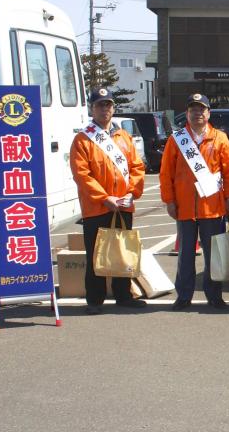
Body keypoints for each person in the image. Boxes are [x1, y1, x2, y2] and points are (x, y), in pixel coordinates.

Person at [70, 88, 147, 315]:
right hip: (97, 207)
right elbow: (81, 174)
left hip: (123, 204)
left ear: (114, 108)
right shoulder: (83, 139)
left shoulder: (123, 137)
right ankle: (95, 299)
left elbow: (137, 167)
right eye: (100, 105)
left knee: (122, 252)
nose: (105, 109)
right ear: (92, 108)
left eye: (108, 105)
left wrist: (132, 193)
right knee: (96, 253)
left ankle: (123, 295)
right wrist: (104, 198)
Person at [159, 93, 229, 310]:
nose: (197, 113)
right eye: (193, 109)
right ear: (187, 113)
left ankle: (214, 295)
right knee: (185, 255)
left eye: (201, 109)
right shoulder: (177, 140)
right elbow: (166, 173)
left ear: (208, 113)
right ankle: (184, 296)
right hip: (184, 208)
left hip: (212, 208)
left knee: (215, 254)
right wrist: (169, 200)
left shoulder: (220, 138)